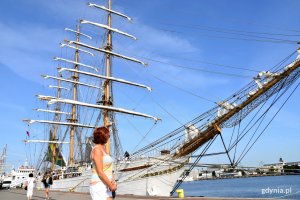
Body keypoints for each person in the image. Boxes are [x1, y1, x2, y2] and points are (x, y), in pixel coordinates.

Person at [90, 126, 117, 200]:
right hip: (99, 184)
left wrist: (113, 181)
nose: (109, 136)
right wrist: (111, 186)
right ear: (102, 136)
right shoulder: (97, 150)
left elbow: (108, 169)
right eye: (108, 134)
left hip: (107, 184)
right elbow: (100, 172)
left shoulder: (103, 149)